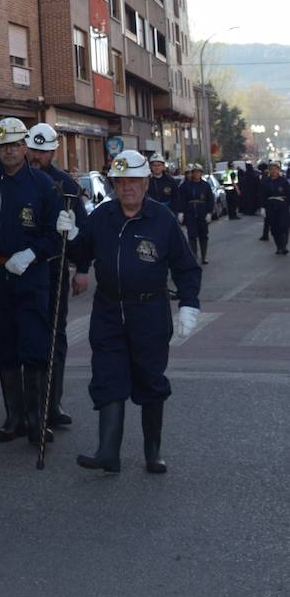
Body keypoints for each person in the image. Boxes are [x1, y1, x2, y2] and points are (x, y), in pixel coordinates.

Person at [72, 150, 201, 474]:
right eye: (120, 181)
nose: (127, 187)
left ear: (146, 182)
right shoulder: (101, 217)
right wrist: (70, 234)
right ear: (114, 184)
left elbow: (186, 267)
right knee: (107, 376)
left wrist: (189, 304)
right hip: (108, 309)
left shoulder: (162, 219)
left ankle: (152, 452)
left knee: (150, 379)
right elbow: (80, 254)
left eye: (133, 180)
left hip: (150, 311)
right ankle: (107, 453)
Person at [0, 118, 65, 446]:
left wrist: (32, 254)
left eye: (15, 145)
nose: (10, 151)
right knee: (4, 346)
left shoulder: (43, 186)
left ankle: (36, 419)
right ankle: (13, 417)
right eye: (3, 146)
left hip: (31, 275)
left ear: (25, 147)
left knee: (35, 347)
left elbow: (56, 236)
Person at [24, 123, 86, 428]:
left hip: (54, 268)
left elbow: (82, 235)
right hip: (21, 270)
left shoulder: (68, 186)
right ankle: (27, 409)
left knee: (55, 337)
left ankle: (53, 403)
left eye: (42, 151)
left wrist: (82, 268)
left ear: (53, 152)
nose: (36, 157)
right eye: (33, 150)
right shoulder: (15, 180)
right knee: (26, 337)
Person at [177, 163, 215, 264]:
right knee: (192, 235)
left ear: (201, 173)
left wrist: (209, 213)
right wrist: (181, 212)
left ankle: (204, 256)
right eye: (194, 172)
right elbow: (181, 199)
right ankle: (194, 255)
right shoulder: (185, 186)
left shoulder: (205, 185)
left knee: (203, 235)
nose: (196, 174)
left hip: (202, 212)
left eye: (198, 172)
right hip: (190, 213)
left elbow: (210, 200)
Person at [259, 161, 290, 256]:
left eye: (275, 169)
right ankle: (279, 247)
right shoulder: (265, 182)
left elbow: (288, 194)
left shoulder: (283, 181)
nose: (274, 171)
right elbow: (262, 195)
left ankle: (284, 246)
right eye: (272, 169)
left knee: (283, 226)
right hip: (271, 207)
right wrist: (262, 207)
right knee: (274, 227)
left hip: (282, 206)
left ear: (278, 170)